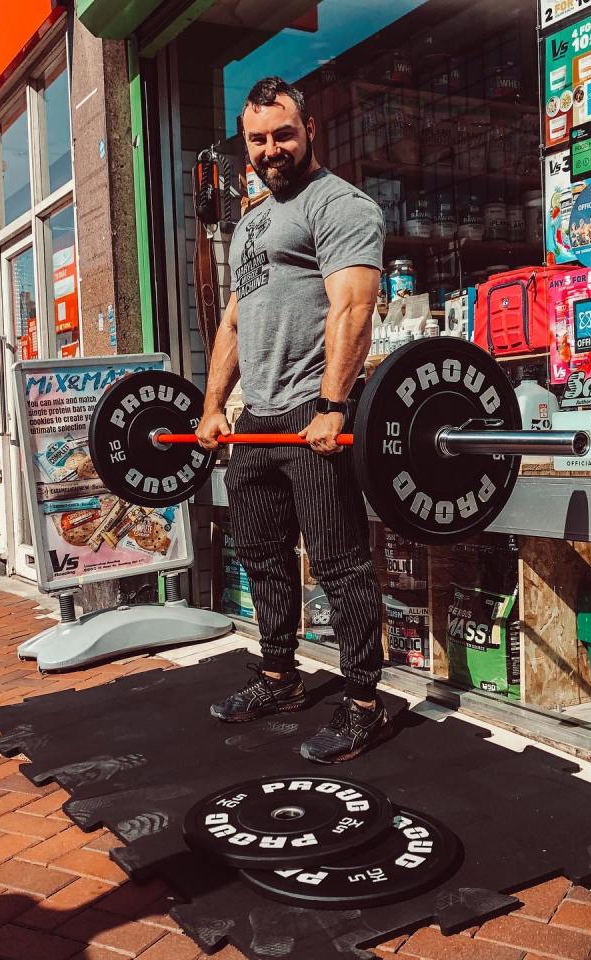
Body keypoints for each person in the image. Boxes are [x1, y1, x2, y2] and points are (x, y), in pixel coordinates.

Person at [196, 77, 389, 764]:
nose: (271, 148)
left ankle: (364, 702)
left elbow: (353, 310)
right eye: (258, 139)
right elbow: (235, 320)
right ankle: (279, 676)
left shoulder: (341, 206)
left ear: (310, 130)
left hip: (312, 412)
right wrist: (214, 405)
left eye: (283, 134)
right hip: (258, 418)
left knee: (339, 566)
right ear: (243, 144)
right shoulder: (251, 221)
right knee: (262, 556)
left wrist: (334, 407)